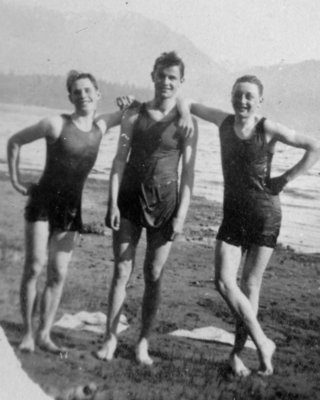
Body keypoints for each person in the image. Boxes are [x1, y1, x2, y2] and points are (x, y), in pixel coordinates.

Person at [178, 75, 320, 376]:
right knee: (223, 282)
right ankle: (263, 342)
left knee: (250, 285)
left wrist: (285, 179)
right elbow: (187, 102)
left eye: (248, 96)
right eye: (237, 95)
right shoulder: (223, 122)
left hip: (264, 213)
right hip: (233, 214)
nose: (242, 101)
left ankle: (238, 355)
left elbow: (314, 146)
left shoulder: (266, 128)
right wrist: (182, 115)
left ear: (259, 101)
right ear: (231, 96)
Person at [7, 70, 129, 354]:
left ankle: (44, 334)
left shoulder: (101, 126)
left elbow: (128, 111)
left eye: (88, 90)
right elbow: (14, 141)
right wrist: (15, 180)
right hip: (42, 204)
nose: (83, 95)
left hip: (71, 209)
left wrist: (129, 101)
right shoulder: (55, 124)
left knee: (58, 274)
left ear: (98, 94)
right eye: (77, 92)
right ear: (70, 97)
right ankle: (27, 332)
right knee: (35, 266)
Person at [95, 51, 198, 365]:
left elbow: (190, 173)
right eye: (161, 75)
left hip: (165, 205)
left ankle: (142, 343)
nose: (165, 82)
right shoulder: (132, 115)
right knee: (121, 270)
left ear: (181, 83)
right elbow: (117, 160)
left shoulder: (186, 122)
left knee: (153, 274)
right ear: (152, 76)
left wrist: (181, 215)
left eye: (172, 78)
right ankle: (110, 339)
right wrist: (112, 202)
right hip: (128, 200)